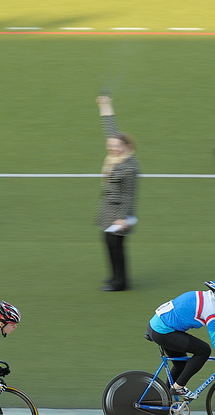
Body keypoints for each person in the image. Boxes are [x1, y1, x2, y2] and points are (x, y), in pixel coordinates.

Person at [146, 281, 215, 399]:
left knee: (181, 365)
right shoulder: (211, 310)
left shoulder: (209, 299)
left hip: (158, 326)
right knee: (203, 350)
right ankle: (178, 388)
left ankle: (164, 399)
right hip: (163, 331)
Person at [95, 95, 139, 292]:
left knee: (116, 244)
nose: (113, 148)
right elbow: (110, 128)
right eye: (112, 146)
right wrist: (105, 105)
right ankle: (115, 277)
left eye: (117, 147)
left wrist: (123, 218)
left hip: (119, 212)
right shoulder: (116, 155)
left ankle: (121, 282)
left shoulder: (129, 167)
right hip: (109, 207)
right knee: (108, 241)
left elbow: (130, 194)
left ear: (127, 147)